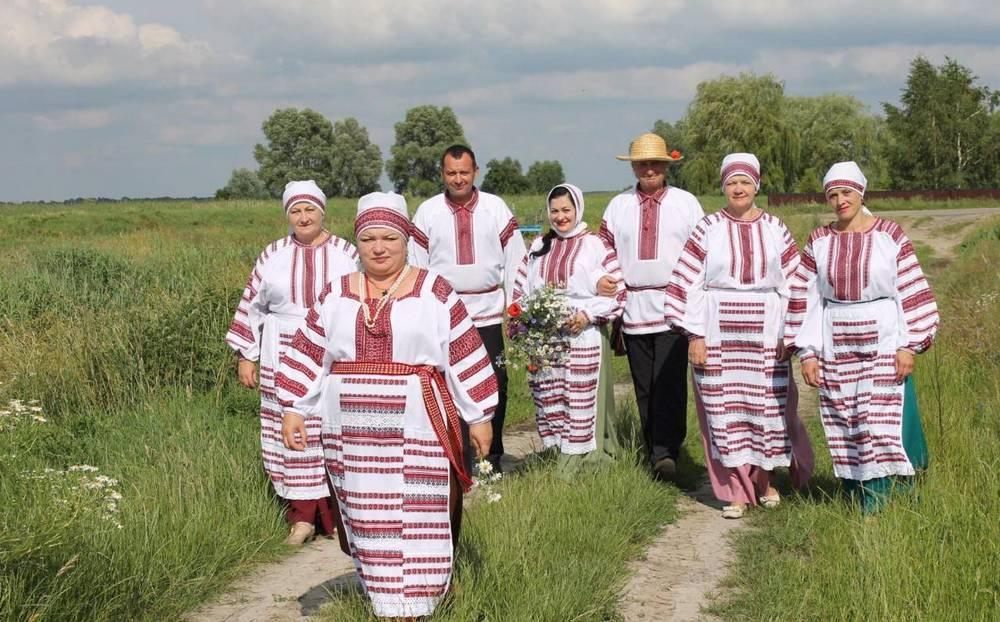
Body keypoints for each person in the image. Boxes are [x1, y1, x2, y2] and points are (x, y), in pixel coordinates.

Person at [277, 192, 497, 619]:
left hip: (418, 426)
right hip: (352, 436)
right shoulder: (336, 293)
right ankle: (384, 600)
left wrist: (479, 415)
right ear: (357, 242)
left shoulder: (434, 291)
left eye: (389, 238)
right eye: (368, 239)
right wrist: (293, 408)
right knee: (368, 515)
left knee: (419, 511)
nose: (379, 248)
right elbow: (309, 352)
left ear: (405, 240)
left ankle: (422, 600)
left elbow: (464, 352)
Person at [665, 154, 814, 518]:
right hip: (718, 332)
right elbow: (686, 282)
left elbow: (795, 283)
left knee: (768, 407)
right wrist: (695, 335)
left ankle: (765, 481)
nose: (738, 188)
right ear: (723, 186)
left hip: (766, 332)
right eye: (732, 182)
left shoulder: (775, 228)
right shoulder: (707, 228)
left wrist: (790, 333)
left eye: (745, 182)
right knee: (724, 410)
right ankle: (734, 490)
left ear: (756, 185)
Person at [785, 161, 939, 513]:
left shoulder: (889, 235)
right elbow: (806, 297)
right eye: (833, 195)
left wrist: (908, 344)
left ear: (861, 193)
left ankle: (887, 500)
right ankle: (858, 493)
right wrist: (808, 352)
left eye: (847, 192)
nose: (840, 200)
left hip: (883, 336)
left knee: (880, 419)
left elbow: (910, 289)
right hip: (836, 339)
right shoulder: (820, 241)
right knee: (847, 419)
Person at [225, 180, 358, 545]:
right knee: (290, 430)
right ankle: (301, 517)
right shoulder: (273, 254)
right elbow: (252, 305)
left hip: (331, 351)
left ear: (322, 211)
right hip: (280, 350)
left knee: (330, 428)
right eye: (295, 211)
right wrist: (246, 354)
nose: (303, 217)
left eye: (309, 209)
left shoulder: (347, 253)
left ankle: (335, 515)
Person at [408, 145, 527, 472]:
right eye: (451, 173)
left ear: (476, 171)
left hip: (488, 313)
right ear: (442, 174)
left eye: (464, 172)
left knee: (496, 382)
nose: (458, 179)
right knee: (449, 385)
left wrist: (515, 308)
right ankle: (458, 458)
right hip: (444, 316)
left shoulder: (495, 208)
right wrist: (422, 313)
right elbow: (417, 266)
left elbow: (516, 260)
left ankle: (493, 457)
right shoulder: (428, 212)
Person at [597, 133, 704, 480]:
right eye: (642, 164)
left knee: (669, 381)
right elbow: (603, 249)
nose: (649, 169)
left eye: (654, 163)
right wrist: (611, 282)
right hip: (633, 306)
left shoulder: (686, 204)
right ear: (634, 167)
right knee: (644, 383)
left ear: (665, 166)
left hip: (675, 305)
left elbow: (702, 251)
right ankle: (652, 448)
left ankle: (667, 451)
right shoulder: (618, 206)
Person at [512, 183, 625, 477]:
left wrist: (587, 315)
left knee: (579, 396)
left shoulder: (595, 245)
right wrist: (526, 317)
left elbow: (618, 292)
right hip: (545, 337)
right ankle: (556, 450)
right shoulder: (539, 246)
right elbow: (521, 288)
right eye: (555, 211)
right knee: (550, 394)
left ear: (578, 209)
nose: (560, 217)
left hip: (582, 335)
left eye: (566, 210)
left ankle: (585, 457)